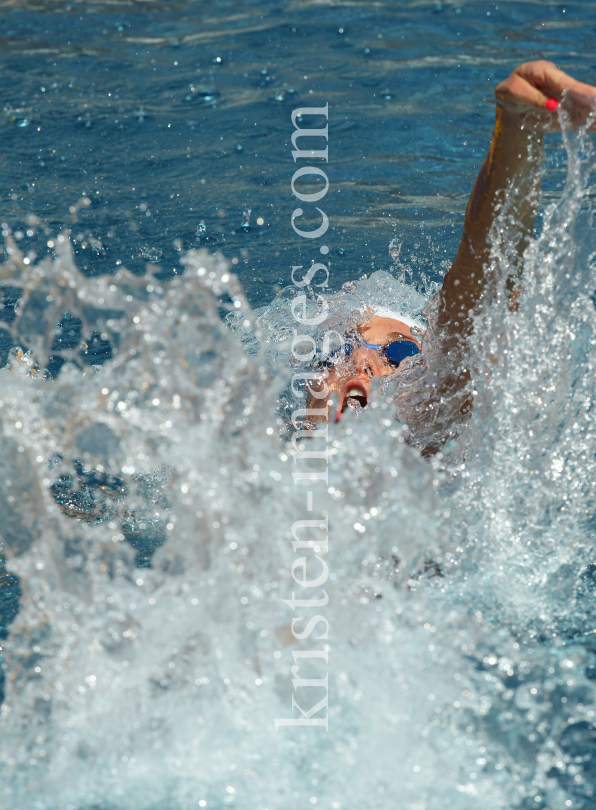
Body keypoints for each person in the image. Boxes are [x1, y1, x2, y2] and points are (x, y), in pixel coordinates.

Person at [309, 61, 596, 436]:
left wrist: (516, 132)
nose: (362, 358)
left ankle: (518, 123)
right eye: (337, 353)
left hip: (423, 367)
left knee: (456, 358)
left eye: (397, 355)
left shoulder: (423, 416)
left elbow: (478, 273)